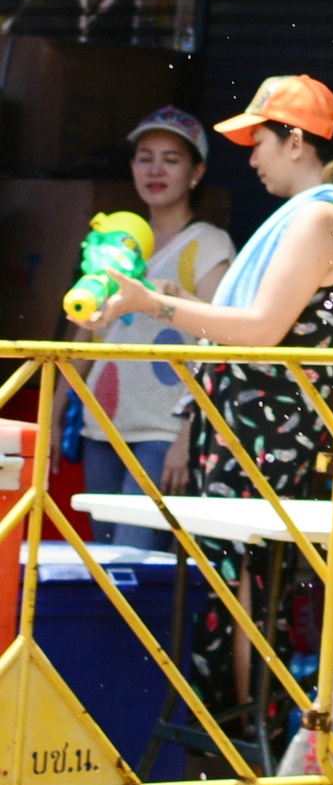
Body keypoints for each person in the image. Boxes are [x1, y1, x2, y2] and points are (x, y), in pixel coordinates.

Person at [87, 74, 333, 785]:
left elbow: (257, 327)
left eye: (261, 141)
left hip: (265, 438)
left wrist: (152, 305)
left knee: (240, 605)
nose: (250, 157)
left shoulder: (320, 215)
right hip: (259, 433)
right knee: (238, 601)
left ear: (299, 142)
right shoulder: (330, 213)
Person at [54, 108, 236, 549]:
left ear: (197, 172)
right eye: (144, 157)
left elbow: (221, 343)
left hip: (163, 432)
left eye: (171, 159)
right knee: (103, 562)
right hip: (102, 428)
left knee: (135, 563)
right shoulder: (115, 239)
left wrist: (188, 435)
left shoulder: (208, 243)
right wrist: (56, 412)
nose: (155, 169)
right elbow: (88, 337)